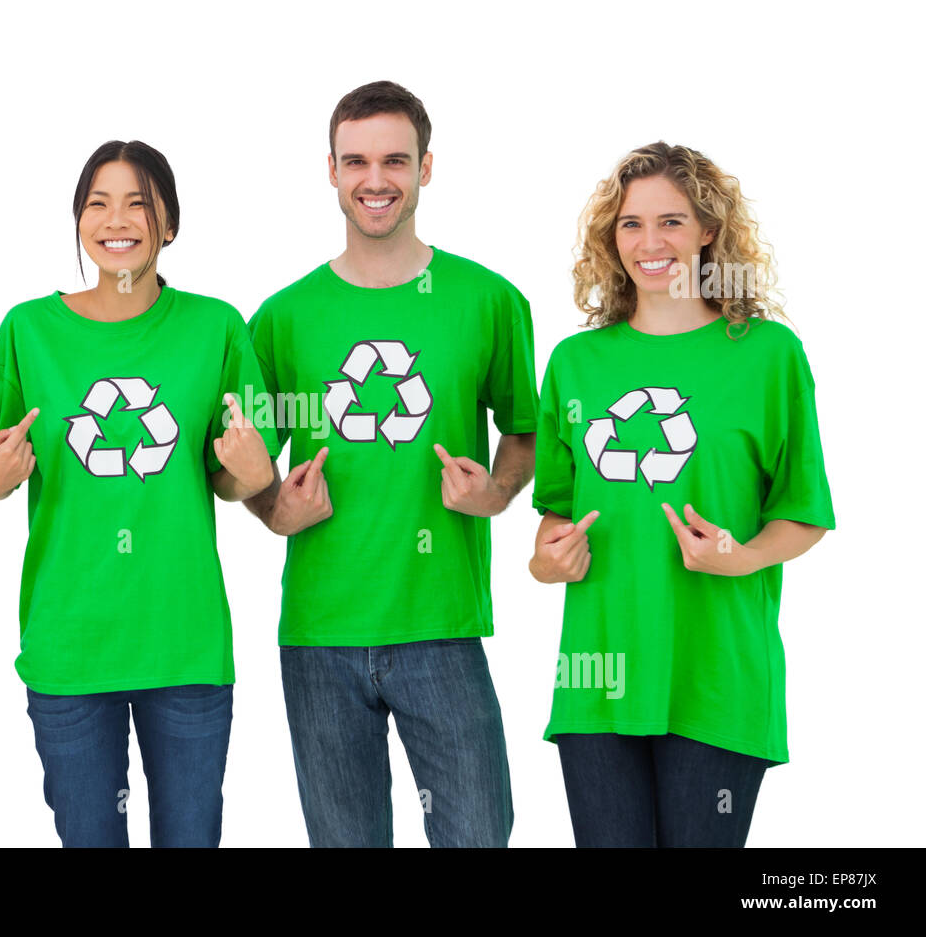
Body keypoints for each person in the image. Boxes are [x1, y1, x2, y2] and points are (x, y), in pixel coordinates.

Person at [244, 81, 538, 847]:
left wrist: (498, 493)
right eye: (357, 162)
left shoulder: (488, 301)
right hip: (320, 630)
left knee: (476, 834)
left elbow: (526, 429)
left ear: (427, 168)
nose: (376, 180)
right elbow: (238, 460)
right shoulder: (281, 317)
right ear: (331, 171)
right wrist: (274, 506)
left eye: (395, 161)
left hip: (440, 622)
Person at [0, 140, 279, 848]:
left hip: (184, 641)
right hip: (70, 641)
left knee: (190, 838)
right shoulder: (26, 331)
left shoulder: (216, 327)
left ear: (169, 223)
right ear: (78, 220)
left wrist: (253, 474)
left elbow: (234, 478)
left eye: (139, 202)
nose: (118, 220)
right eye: (98, 203)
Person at [529, 141, 834, 847]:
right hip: (597, 681)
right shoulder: (576, 363)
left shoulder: (767, 355)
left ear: (707, 232)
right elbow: (554, 518)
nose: (650, 241)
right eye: (631, 224)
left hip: (717, 676)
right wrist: (548, 563)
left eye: (671, 221)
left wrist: (744, 555)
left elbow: (804, 511)